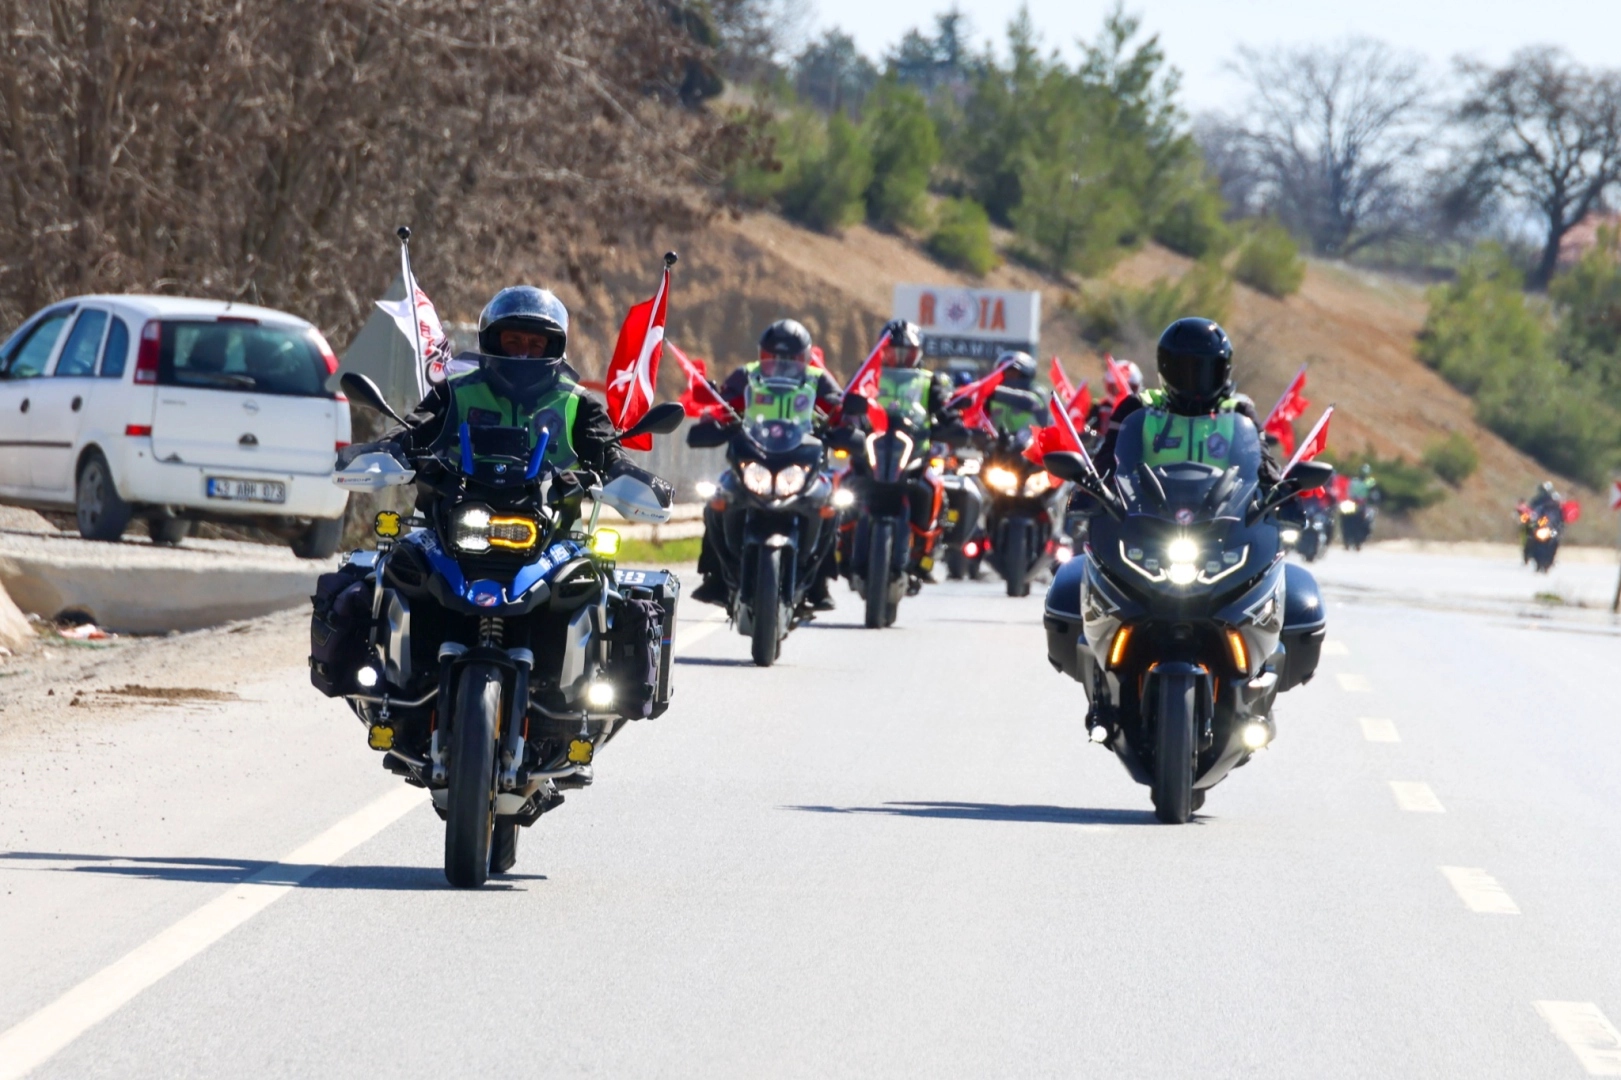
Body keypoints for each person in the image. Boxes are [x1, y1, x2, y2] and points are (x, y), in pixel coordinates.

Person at [340, 286, 664, 513]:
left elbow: (608, 451)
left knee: (600, 588)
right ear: (493, 343)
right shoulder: (455, 391)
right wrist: (386, 448)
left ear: (552, 349)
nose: (523, 353)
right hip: (451, 521)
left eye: (535, 345)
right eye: (512, 341)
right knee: (379, 576)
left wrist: (624, 471)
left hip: (553, 531)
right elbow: (413, 430)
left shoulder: (578, 404)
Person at [689, 318, 845, 608]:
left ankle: (819, 582)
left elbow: (838, 408)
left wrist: (846, 421)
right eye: (774, 357)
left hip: (800, 461)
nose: (782, 364)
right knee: (717, 498)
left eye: (791, 358)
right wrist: (712, 416)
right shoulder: (746, 375)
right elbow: (724, 405)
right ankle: (715, 577)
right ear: (762, 354)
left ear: (805, 357)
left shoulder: (816, 378)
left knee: (830, 504)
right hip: (754, 457)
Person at [1094, 318, 1282, 490]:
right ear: (1166, 368)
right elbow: (1108, 464)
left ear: (1224, 371)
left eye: (1207, 371)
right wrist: (1092, 489)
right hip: (1144, 521)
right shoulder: (1138, 408)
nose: (1196, 381)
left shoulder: (1238, 413)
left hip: (1224, 524)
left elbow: (1261, 465)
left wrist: (1281, 493)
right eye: (1185, 372)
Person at [850, 319, 960, 581]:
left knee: (937, 489)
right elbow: (847, 401)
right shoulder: (867, 374)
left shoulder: (930, 380)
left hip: (913, 451)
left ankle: (930, 548)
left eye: (906, 352)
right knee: (839, 489)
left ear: (918, 353)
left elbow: (945, 409)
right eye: (892, 351)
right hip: (874, 448)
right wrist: (847, 418)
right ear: (881, 350)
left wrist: (954, 423)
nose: (899, 357)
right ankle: (839, 546)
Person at [984, 350, 1047, 435]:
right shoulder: (990, 395)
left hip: (1031, 441)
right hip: (998, 441)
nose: (1009, 375)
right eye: (1005, 372)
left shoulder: (1037, 391)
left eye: (1014, 372)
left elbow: (1031, 403)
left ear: (1025, 375)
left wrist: (995, 392)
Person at [1084, 358, 1143, 443]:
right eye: (1117, 388)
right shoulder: (1099, 407)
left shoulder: (1141, 410)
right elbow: (1088, 429)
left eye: (1129, 387)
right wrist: (1094, 434)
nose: (1123, 392)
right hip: (1102, 450)